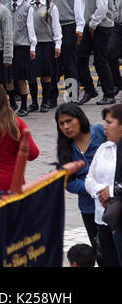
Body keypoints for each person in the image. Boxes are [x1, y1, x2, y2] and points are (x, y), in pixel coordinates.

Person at [57, 102, 110, 264]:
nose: (66, 127)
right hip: (88, 207)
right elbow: (68, 182)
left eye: (69, 121)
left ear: (79, 119)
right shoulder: (65, 147)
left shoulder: (100, 133)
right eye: (61, 124)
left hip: (111, 202)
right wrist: (91, 187)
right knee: (100, 252)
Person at [84, 102, 122, 267]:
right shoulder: (104, 148)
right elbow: (89, 179)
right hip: (103, 216)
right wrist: (100, 191)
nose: (104, 127)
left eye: (109, 122)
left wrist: (112, 191)